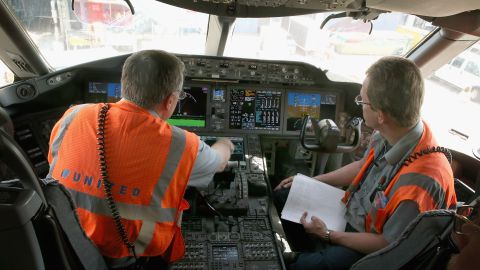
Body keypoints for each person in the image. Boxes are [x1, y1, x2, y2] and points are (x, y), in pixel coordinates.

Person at [46, 50, 234, 269]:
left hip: (64, 242)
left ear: (125, 85)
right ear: (170, 101)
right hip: (132, 258)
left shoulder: (73, 115)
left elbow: (56, 164)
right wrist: (226, 143)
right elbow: (220, 162)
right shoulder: (182, 144)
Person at [273, 56, 457, 270]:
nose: (359, 103)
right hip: (356, 212)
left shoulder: (419, 184)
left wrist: (328, 234)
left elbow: (389, 244)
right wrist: (309, 181)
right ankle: (312, 252)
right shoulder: (395, 130)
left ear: (380, 115)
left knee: (291, 266)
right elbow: (363, 166)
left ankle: (312, 256)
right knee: (284, 195)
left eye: (362, 100)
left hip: (376, 246)